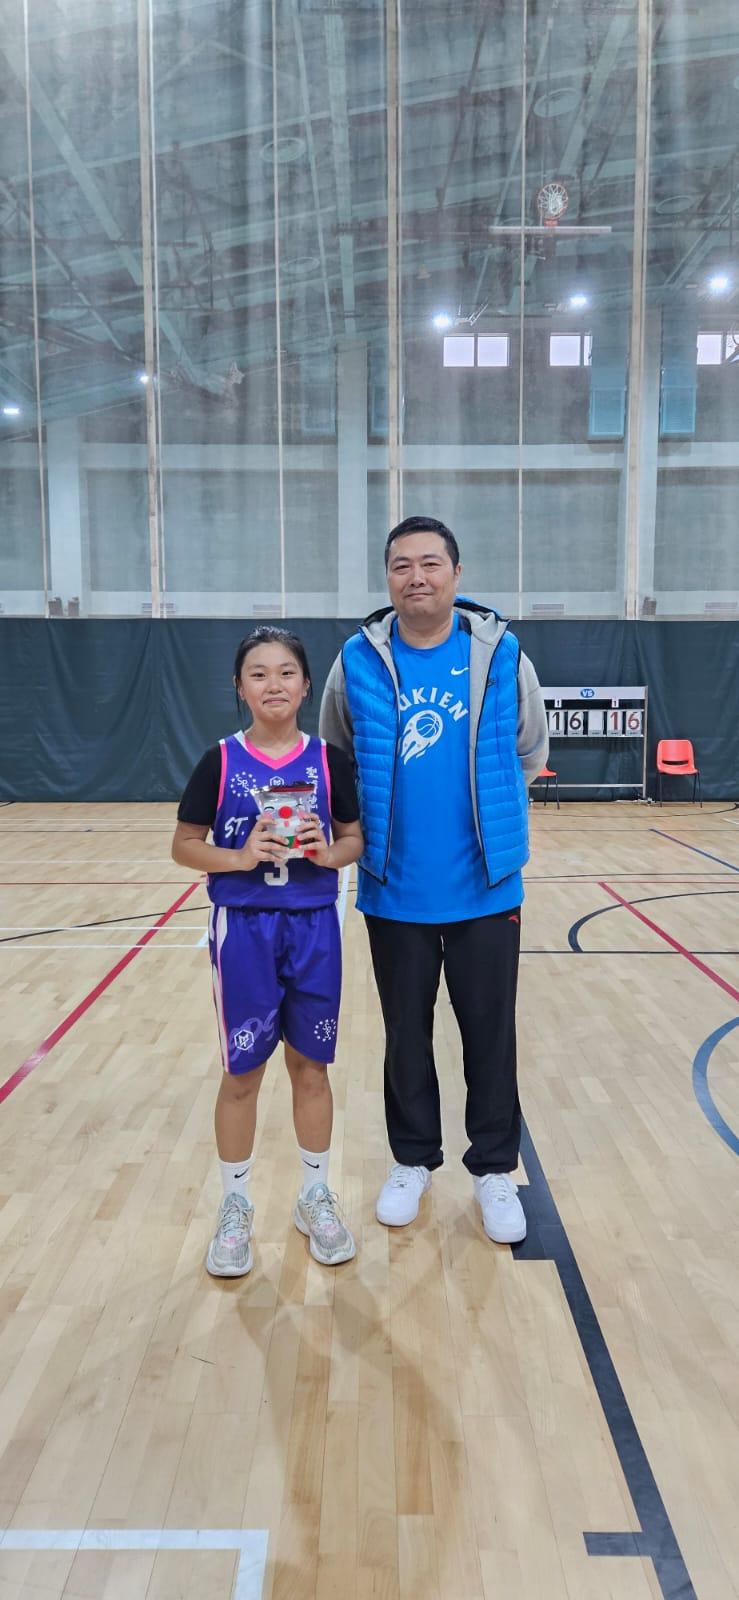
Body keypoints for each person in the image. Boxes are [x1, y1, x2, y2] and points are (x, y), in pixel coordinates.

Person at [319, 516, 548, 1244]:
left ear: (455, 572)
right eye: (400, 565)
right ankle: (412, 1160)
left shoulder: (500, 652)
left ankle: (493, 1169)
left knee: (489, 1035)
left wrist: (493, 824)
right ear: (387, 577)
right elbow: (335, 755)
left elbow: (528, 750)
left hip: (485, 887)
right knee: (405, 1037)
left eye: (429, 563)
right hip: (394, 887)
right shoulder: (356, 658)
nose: (415, 576)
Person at [172, 627, 363, 1277]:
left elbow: (353, 839)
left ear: (306, 685)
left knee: (311, 1068)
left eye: (286, 672)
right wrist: (241, 856)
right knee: (243, 1073)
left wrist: (325, 854)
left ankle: (315, 1196)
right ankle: (235, 1206)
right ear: (239, 687)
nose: (273, 684)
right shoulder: (220, 761)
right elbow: (183, 845)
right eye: (258, 673)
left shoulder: (330, 761)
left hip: (313, 927)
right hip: (244, 931)